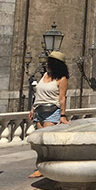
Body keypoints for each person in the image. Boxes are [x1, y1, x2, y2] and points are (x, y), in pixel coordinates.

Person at [28, 51, 69, 179]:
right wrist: (32, 108)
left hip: (52, 112)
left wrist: (63, 115)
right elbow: (38, 94)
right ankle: (42, 167)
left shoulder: (62, 79)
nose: (46, 64)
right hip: (39, 111)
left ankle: (48, 168)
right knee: (40, 143)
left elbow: (62, 98)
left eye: (49, 62)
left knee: (48, 142)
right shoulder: (45, 75)